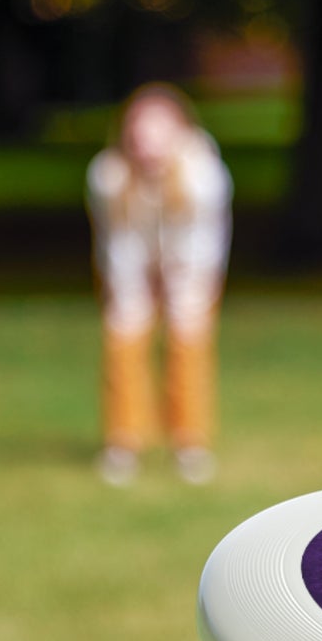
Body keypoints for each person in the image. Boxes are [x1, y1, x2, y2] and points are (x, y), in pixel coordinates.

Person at [86, 83, 233, 486]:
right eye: (139, 132)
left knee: (188, 343)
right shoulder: (108, 175)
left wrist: (180, 285)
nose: (147, 143)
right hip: (130, 266)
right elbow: (117, 242)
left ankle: (190, 443)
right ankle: (123, 442)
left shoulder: (204, 174)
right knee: (123, 338)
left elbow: (203, 242)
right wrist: (133, 291)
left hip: (191, 268)